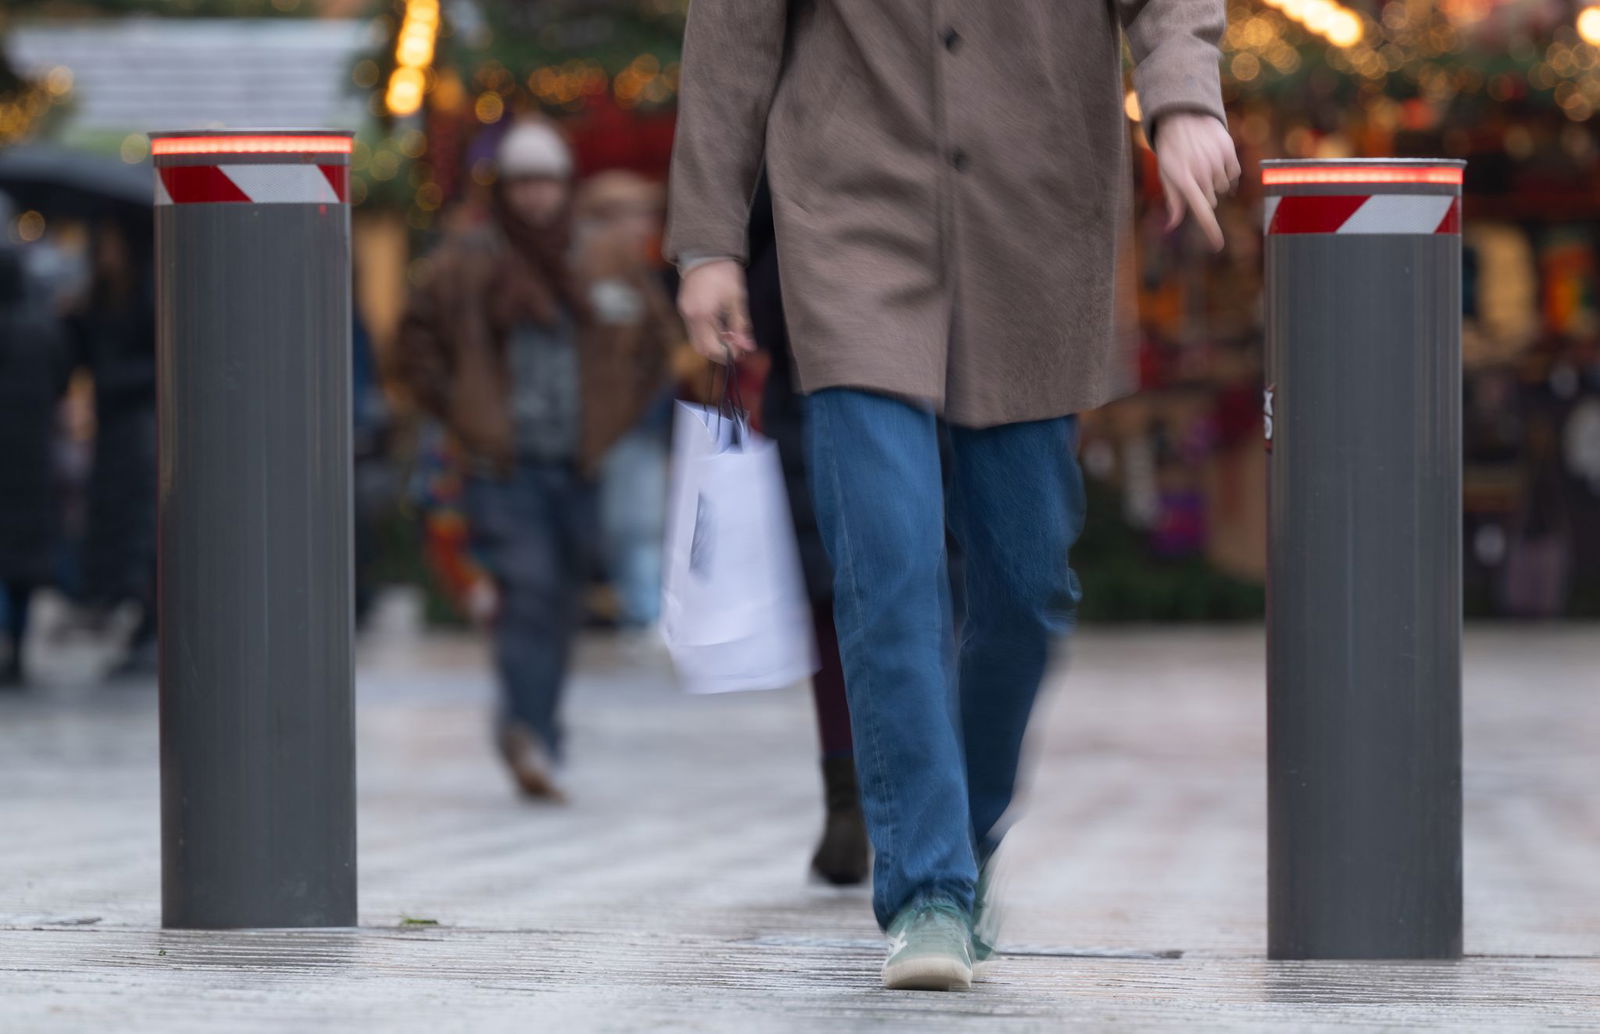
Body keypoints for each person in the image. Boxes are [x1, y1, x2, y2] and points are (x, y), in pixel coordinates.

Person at [668, 1, 1239, 990]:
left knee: (1026, 587)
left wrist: (1181, 95)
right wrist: (709, 238)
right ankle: (928, 886)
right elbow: (732, 31)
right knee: (887, 561)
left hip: (1034, 221)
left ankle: (959, 839)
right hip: (852, 218)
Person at [398, 120, 680, 801]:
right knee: (526, 593)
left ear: (565, 186)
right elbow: (414, 346)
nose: (535, 196)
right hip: (504, 463)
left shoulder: (603, 258)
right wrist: (464, 413)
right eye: (523, 182)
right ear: (506, 189)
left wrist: (615, 421)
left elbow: (653, 345)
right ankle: (526, 729)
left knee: (560, 602)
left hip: (580, 461)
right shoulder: (468, 262)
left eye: (546, 181)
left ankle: (540, 731)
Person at [0, 192, 68, 688]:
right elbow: (63, 381)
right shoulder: (44, 329)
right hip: (32, 456)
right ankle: (18, 649)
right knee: (22, 564)